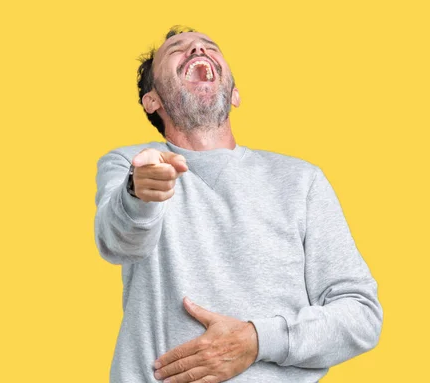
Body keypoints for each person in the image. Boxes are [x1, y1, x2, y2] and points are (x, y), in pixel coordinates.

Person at [93, 26, 383, 383]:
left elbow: (361, 316)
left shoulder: (300, 180)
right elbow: (116, 242)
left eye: (209, 47)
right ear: (152, 101)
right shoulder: (132, 165)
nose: (197, 48)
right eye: (177, 50)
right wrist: (138, 195)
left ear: (234, 94)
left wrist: (257, 340)